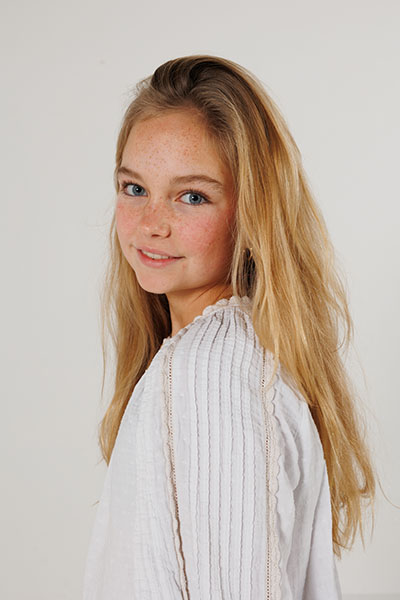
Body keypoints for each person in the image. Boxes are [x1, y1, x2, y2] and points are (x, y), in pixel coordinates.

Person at [82, 55, 376, 599]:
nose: (151, 223)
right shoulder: (240, 360)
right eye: (134, 188)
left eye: (192, 196)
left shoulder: (209, 375)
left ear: (251, 213)